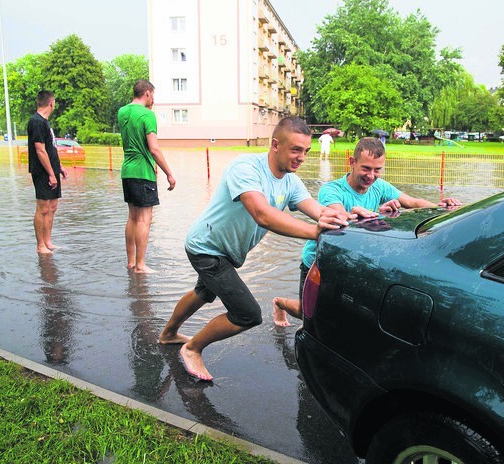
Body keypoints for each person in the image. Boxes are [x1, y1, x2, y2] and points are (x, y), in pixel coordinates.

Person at [158, 116, 351, 381]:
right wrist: (315, 233)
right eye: (295, 150)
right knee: (247, 314)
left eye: (306, 151)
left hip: (226, 251)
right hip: (206, 247)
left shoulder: (291, 182)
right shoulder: (246, 167)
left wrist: (343, 219)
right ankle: (192, 349)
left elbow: (318, 210)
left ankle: (168, 334)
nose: (302, 157)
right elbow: (262, 214)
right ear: (275, 145)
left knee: (204, 292)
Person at [272, 137, 461, 326]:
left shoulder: (379, 186)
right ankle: (280, 303)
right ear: (352, 163)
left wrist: (440, 207)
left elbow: (412, 202)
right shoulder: (331, 190)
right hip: (319, 261)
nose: (371, 176)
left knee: (344, 311)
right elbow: (338, 215)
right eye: (366, 168)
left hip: (353, 260)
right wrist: (366, 214)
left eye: (377, 170)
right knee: (308, 313)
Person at [119, 79, 176, 274]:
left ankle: (131, 261)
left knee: (132, 217)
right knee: (144, 219)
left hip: (127, 170)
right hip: (143, 172)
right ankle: (141, 265)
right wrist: (169, 173)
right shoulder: (148, 115)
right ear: (148, 93)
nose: (154, 99)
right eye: (153, 95)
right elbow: (154, 149)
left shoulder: (122, 112)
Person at [28, 90, 68, 254]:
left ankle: (48, 242)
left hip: (52, 169)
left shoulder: (45, 122)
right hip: (42, 172)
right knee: (43, 208)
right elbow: (40, 150)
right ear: (51, 103)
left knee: (52, 207)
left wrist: (59, 167)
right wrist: (51, 174)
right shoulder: (36, 122)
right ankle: (40, 245)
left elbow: (50, 148)